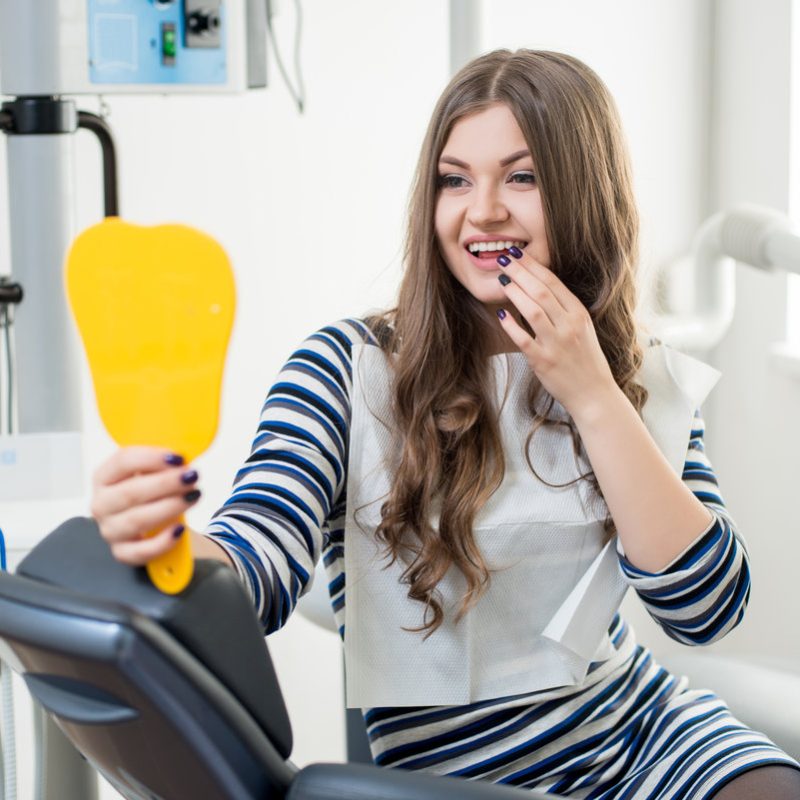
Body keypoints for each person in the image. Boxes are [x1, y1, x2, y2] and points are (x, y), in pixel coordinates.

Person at [89, 49, 800, 798]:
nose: (482, 209)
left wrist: (593, 396)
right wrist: (167, 545)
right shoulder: (345, 369)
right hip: (462, 783)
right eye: (455, 180)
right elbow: (257, 562)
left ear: (584, 195)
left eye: (521, 178)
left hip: (652, 740)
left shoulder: (633, 370)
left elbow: (706, 609)